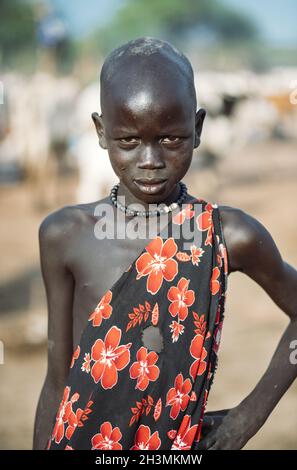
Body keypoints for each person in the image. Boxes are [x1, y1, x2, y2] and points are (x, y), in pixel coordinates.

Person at [33, 37, 297, 450]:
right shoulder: (64, 234)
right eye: (128, 141)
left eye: (171, 139)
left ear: (198, 128)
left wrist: (247, 418)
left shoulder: (228, 234)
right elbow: (57, 382)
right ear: (102, 132)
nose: (150, 160)